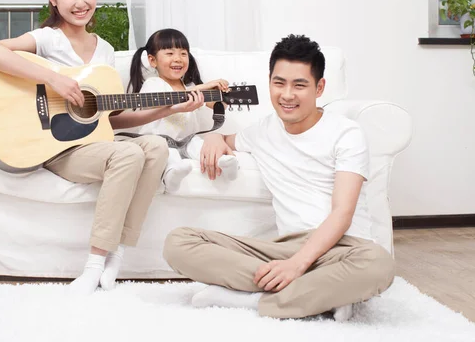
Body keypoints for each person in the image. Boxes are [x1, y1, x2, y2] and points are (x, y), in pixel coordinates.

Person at [0, 0, 203, 294]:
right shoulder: (48, 39)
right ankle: (95, 262)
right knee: (126, 156)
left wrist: (164, 109)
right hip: (56, 148)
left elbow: (109, 119)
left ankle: (118, 252)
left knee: (155, 146)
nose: (80, 3)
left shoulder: (105, 51)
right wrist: (52, 79)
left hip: (94, 143)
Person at [162, 34, 395, 321]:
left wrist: (297, 265)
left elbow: (342, 214)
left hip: (343, 248)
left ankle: (252, 301)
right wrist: (213, 137)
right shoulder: (263, 131)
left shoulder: (346, 133)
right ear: (270, 81)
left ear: (319, 87)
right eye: (279, 83)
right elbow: (226, 138)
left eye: (299, 85)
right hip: (282, 248)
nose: (287, 95)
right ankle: (321, 295)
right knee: (178, 242)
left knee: (379, 265)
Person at [128, 28, 239, 192]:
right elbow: (168, 99)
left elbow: (216, 106)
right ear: (153, 60)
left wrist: (224, 97)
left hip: (187, 140)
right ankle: (172, 175)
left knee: (200, 145)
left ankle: (224, 163)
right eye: (170, 53)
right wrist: (202, 88)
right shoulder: (153, 84)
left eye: (183, 53)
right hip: (159, 142)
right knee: (169, 154)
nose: (178, 59)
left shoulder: (191, 88)